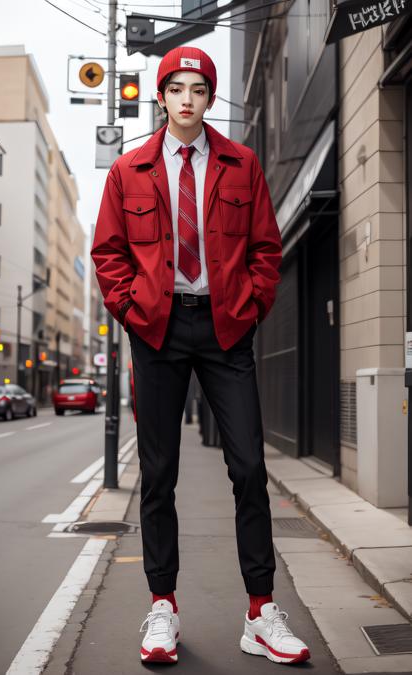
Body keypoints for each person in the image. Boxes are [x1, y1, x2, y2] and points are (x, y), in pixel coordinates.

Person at [91, 45, 311, 666]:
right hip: (156, 331)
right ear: (161, 96)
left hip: (224, 329)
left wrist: (249, 306)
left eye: (198, 89)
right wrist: (134, 310)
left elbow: (266, 247)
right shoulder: (128, 169)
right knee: (159, 476)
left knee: (248, 468)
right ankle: (163, 606)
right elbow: (108, 253)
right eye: (176, 88)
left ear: (210, 98)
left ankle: (261, 613)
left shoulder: (241, 165)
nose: (187, 99)